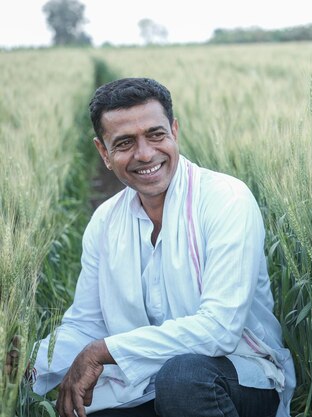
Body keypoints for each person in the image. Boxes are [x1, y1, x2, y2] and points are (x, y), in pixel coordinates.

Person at [28, 78, 295, 417]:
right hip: (145, 384)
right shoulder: (105, 221)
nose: (145, 154)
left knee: (183, 379)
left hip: (238, 377)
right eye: (124, 143)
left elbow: (219, 330)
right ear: (103, 153)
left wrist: (102, 352)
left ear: (175, 130)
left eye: (155, 134)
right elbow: (86, 324)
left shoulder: (226, 200)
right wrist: (27, 367)